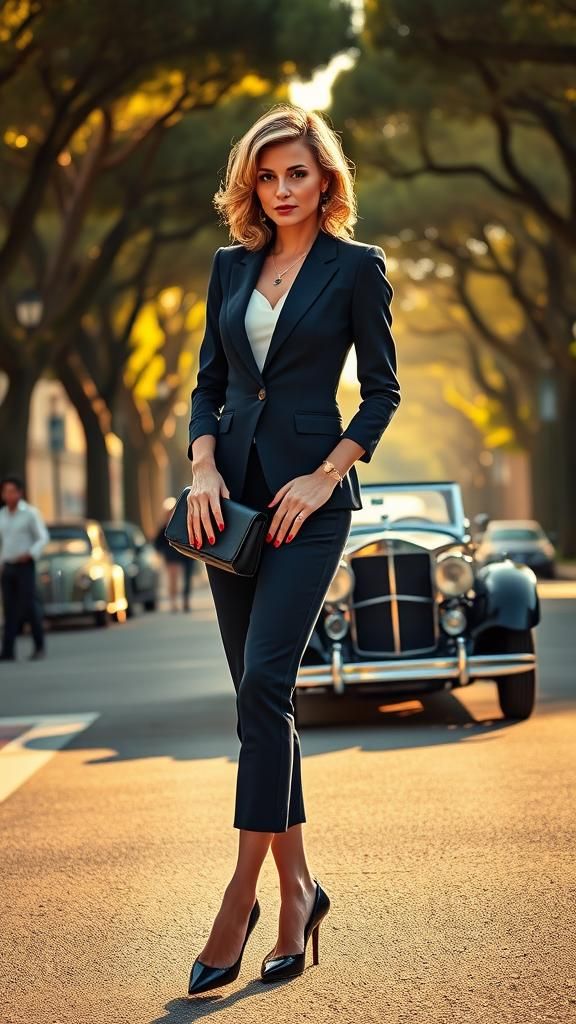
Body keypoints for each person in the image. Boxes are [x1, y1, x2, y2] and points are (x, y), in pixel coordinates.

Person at [185, 103, 401, 994]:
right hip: (227, 505)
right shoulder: (229, 268)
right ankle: (299, 889)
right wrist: (201, 468)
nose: (282, 190)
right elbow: (208, 385)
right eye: (268, 176)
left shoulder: (357, 269)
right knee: (258, 703)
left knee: (268, 685)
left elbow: (382, 394)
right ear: (252, 184)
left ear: (326, 183)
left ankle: (238, 894)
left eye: (298, 175)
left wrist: (325, 475)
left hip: (309, 506)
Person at [0, 475, 49, 662]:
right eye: (5, 492)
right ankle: (8, 650)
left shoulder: (30, 513)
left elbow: (42, 537)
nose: (9, 495)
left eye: (12, 491)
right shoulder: (2, 515)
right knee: (9, 609)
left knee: (29, 606)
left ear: (20, 493)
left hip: (25, 565)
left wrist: (30, 553)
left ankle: (39, 646)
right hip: (8, 565)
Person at [154, 498, 195, 612]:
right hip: (171, 556)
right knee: (173, 579)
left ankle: (185, 600)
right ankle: (173, 603)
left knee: (187, 579)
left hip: (187, 555)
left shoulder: (185, 521)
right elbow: (157, 543)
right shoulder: (164, 527)